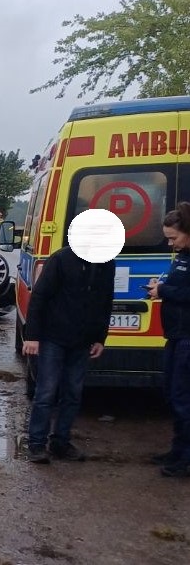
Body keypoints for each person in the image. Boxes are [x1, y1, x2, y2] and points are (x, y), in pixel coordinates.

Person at [23, 244, 116, 463]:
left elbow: (105, 301)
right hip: (53, 337)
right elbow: (39, 297)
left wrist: (100, 338)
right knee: (46, 392)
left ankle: (60, 443)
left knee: (73, 394)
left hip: (82, 341)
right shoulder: (61, 259)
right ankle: (36, 444)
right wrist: (32, 336)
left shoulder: (106, 263)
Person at [146, 202, 190, 477]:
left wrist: (163, 289)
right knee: (172, 395)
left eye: (173, 237)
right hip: (176, 335)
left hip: (188, 337)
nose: (170, 243)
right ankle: (177, 450)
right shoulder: (183, 255)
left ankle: (184, 459)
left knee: (183, 398)